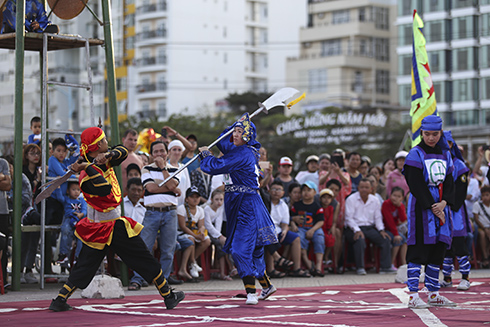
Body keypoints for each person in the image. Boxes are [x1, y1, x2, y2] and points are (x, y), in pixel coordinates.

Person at [49, 127, 184, 312]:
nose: (107, 143)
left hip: (109, 223)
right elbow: (104, 189)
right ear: (96, 146)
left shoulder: (101, 160)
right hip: (104, 227)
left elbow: (121, 151)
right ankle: (168, 296)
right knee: (91, 265)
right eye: (104, 141)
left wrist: (107, 155)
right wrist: (88, 167)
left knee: (139, 258)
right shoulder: (85, 177)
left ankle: (169, 296)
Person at [199, 113, 278, 305]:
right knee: (255, 249)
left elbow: (216, 166)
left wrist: (205, 156)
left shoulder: (242, 154)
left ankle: (251, 291)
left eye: (239, 132)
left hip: (246, 205)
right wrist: (236, 124)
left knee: (239, 249)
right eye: (234, 131)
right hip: (241, 201)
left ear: (248, 135)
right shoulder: (245, 150)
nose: (235, 135)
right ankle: (266, 286)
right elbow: (224, 142)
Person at [402, 115, 456, 309]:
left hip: (442, 204)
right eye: (427, 134)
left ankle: (433, 293)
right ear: (421, 133)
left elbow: (450, 181)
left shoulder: (445, 153)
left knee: (438, 249)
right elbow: (414, 183)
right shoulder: (415, 154)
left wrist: (443, 203)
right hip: (421, 207)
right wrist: (433, 206)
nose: (431, 138)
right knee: (418, 248)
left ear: (440, 133)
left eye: (435, 134)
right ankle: (413, 295)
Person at [129, 141, 183, 290]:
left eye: (162, 151)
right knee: (144, 247)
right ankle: (138, 278)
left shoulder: (174, 169)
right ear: (152, 154)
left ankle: (163, 281)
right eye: (156, 152)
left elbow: (172, 186)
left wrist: (163, 169)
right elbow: (151, 188)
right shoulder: (146, 168)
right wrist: (171, 189)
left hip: (170, 212)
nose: (159, 154)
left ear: (167, 153)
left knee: (168, 249)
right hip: (152, 212)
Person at [441, 131, 471, 291]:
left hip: (455, 210)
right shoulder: (437, 163)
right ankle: (447, 278)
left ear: (452, 145)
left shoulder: (459, 165)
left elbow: (461, 191)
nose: (445, 146)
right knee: (445, 245)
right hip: (441, 210)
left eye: (448, 143)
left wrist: (451, 205)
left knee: (459, 243)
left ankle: (465, 278)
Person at [344, 178, 394, 275]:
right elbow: (348, 218)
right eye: (362, 187)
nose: (364, 190)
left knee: (385, 239)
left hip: (369, 228)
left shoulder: (374, 200)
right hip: (353, 228)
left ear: (371, 189)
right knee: (359, 239)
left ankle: (385, 267)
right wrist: (357, 230)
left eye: (366, 187)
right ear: (358, 188)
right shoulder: (351, 199)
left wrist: (381, 230)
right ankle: (360, 267)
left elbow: (378, 218)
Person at [268, 181, 310, 278]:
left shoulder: (283, 205)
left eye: (279, 190)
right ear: (269, 191)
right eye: (274, 189)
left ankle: (296, 268)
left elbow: (284, 223)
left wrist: (285, 230)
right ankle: (271, 270)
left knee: (296, 238)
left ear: (283, 193)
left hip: (279, 230)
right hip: (267, 230)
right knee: (269, 237)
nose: (276, 192)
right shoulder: (266, 202)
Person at [290, 181, 325, 277]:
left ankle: (318, 266)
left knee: (320, 237)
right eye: (304, 190)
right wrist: (293, 224)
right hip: (301, 228)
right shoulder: (297, 205)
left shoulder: (317, 205)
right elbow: (291, 217)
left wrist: (312, 230)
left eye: (309, 190)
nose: (306, 192)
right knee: (298, 237)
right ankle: (307, 262)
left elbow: (321, 221)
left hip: (314, 228)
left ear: (314, 192)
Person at [177, 186, 211, 279]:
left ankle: (192, 261)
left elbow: (201, 225)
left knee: (207, 241)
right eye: (192, 197)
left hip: (194, 232)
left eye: (197, 197)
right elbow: (182, 226)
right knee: (191, 239)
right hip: (182, 233)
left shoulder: (200, 210)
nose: (195, 199)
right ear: (187, 199)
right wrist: (195, 235)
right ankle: (192, 263)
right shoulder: (181, 208)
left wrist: (201, 230)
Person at [204, 189, 236, 280]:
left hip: (215, 233)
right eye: (217, 199)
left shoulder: (220, 209)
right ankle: (230, 267)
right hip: (206, 232)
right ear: (211, 199)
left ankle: (226, 270)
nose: (219, 202)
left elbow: (218, 224)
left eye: (221, 199)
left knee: (223, 243)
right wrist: (219, 236)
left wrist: (219, 236)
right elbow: (208, 225)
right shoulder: (207, 209)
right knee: (222, 243)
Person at [54, 181, 87, 267]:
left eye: (78, 190)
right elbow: (60, 198)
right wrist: (58, 188)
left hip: (79, 220)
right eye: (73, 189)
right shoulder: (67, 199)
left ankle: (78, 256)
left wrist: (81, 214)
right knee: (65, 230)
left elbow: (85, 210)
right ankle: (63, 253)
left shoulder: (82, 201)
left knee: (81, 236)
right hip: (69, 218)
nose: (76, 192)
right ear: (68, 191)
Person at [381, 187, 408, 269]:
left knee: (405, 241)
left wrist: (400, 207)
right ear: (390, 195)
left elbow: (403, 219)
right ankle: (391, 263)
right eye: (394, 195)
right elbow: (389, 221)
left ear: (402, 198)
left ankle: (404, 264)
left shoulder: (401, 205)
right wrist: (396, 234)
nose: (396, 198)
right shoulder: (386, 204)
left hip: (395, 229)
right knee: (399, 239)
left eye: (399, 196)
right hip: (386, 228)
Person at [319, 188, 341, 273]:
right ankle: (322, 258)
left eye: (329, 198)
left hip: (327, 228)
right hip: (320, 228)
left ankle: (327, 256)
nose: (326, 200)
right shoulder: (319, 207)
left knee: (331, 238)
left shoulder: (331, 208)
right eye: (324, 198)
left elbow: (332, 220)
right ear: (320, 199)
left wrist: (331, 227)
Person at [120, 129, 144, 196]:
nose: (133, 142)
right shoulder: (117, 157)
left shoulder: (139, 159)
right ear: (123, 139)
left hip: (136, 195)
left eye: (135, 140)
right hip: (121, 194)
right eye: (130, 139)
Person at [168, 140, 191, 206]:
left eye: (179, 150)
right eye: (174, 149)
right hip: (169, 204)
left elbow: (188, 186)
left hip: (182, 204)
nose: (177, 152)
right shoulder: (164, 166)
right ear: (169, 152)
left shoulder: (184, 167)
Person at [473, 185, 490, 268]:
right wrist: (484, 228)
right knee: (483, 234)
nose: (485, 197)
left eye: (487, 195)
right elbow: (476, 219)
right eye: (483, 195)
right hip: (481, 227)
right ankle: (485, 256)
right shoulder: (477, 204)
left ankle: (487, 254)